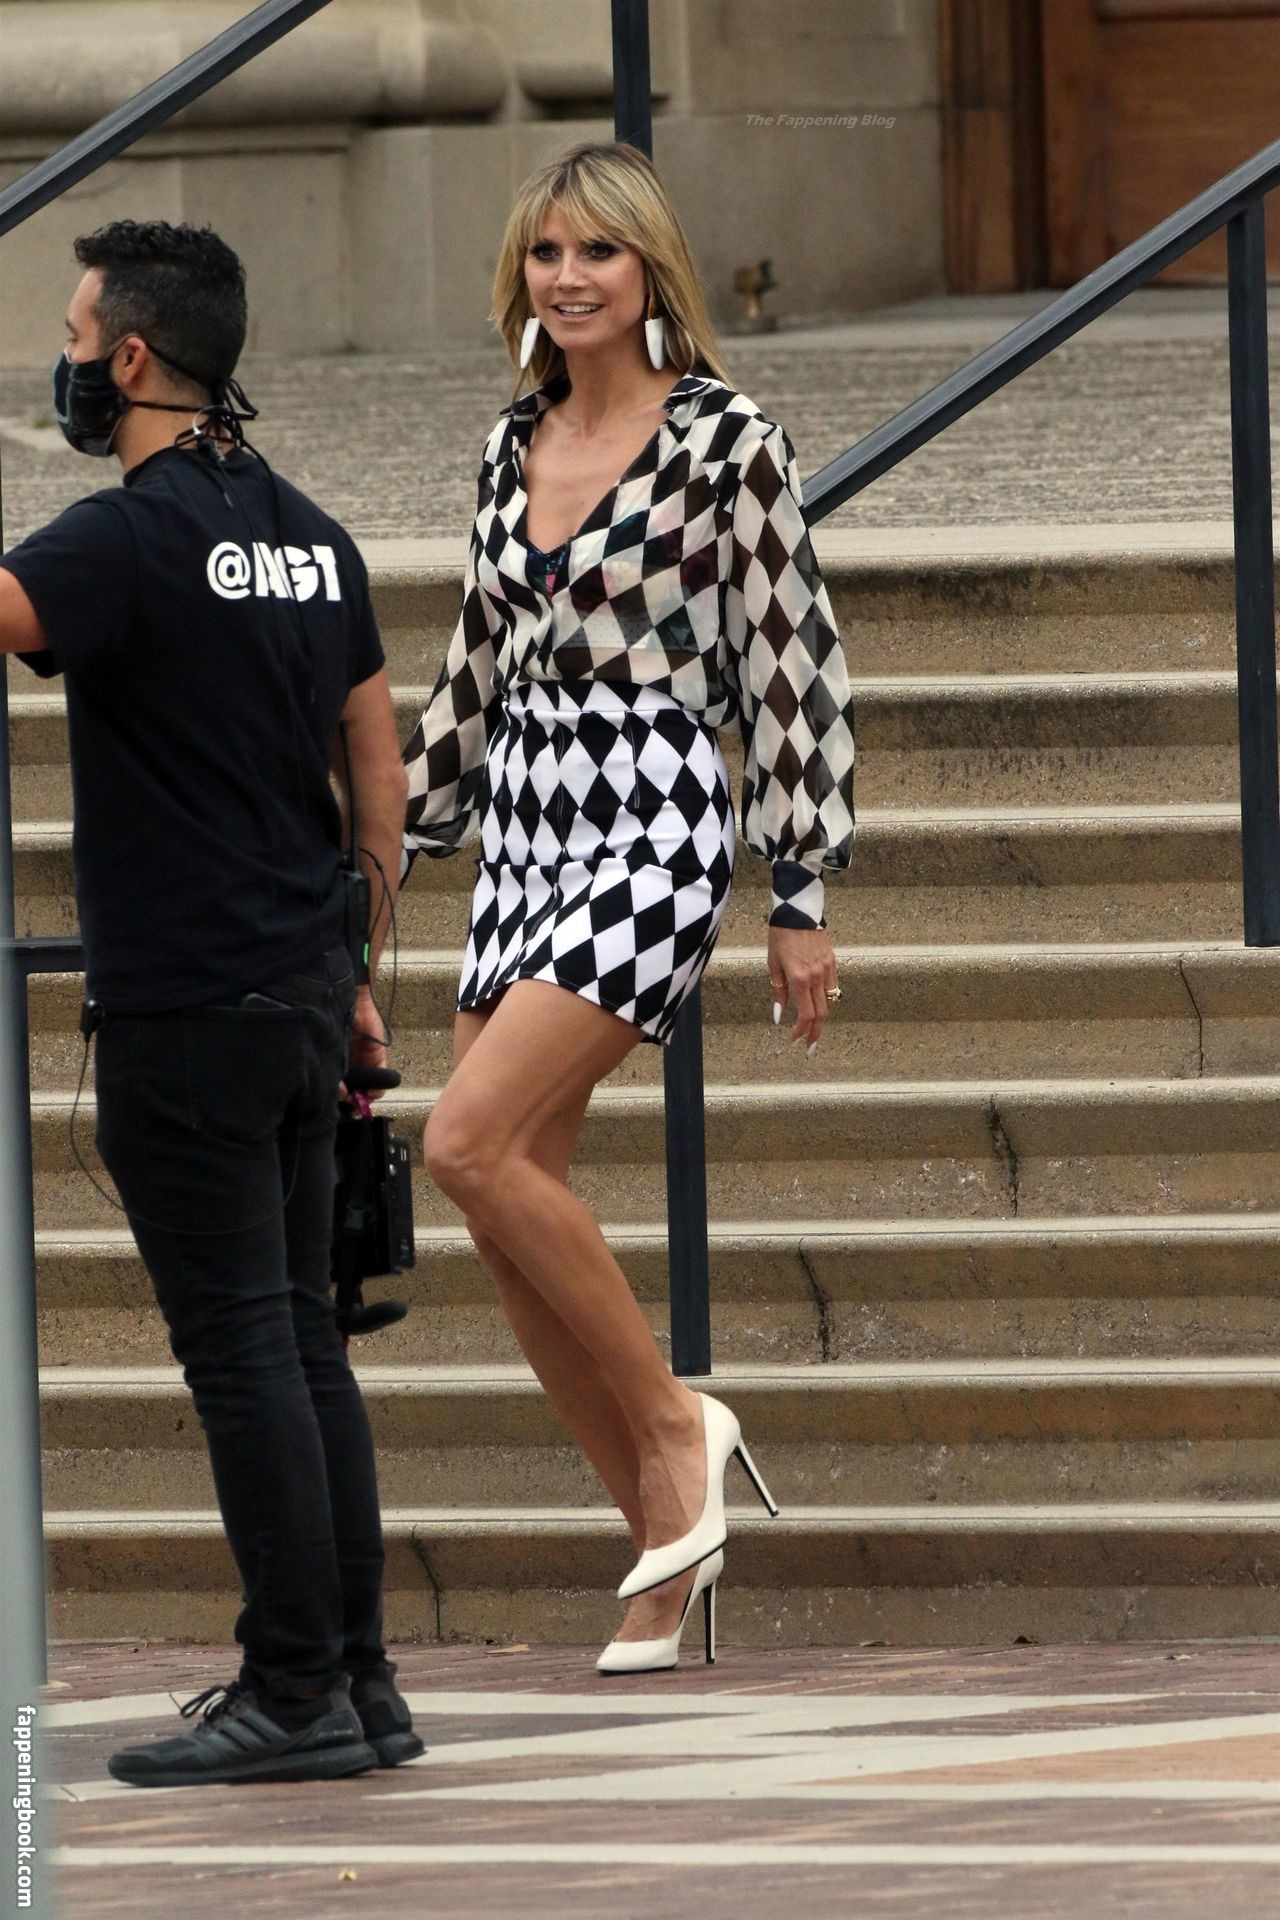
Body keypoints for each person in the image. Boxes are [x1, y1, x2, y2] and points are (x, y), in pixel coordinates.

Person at [402, 142, 855, 1672]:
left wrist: (798, 886)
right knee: (501, 1203)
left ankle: (677, 1423)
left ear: (650, 266)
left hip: (654, 812)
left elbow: (792, 662)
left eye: (598, 250)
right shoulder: (506, 443)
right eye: (546, 252)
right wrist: (387, 832)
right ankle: (665, 1543)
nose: (569, 276)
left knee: (464, 1141)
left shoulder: (727, 440)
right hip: (524, 817)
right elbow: (474, 667)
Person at [0, 221, 423, 1784]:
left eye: (71, 337)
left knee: (245, 1351)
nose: (62, 364)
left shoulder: (122, 538)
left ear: (128, 357)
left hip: (186, 1002)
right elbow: (376, 769)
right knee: (303, 1345)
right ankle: (360, 1683)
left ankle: (296, 1692)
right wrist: (355, 969)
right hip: (305, 992)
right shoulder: (312, 537)